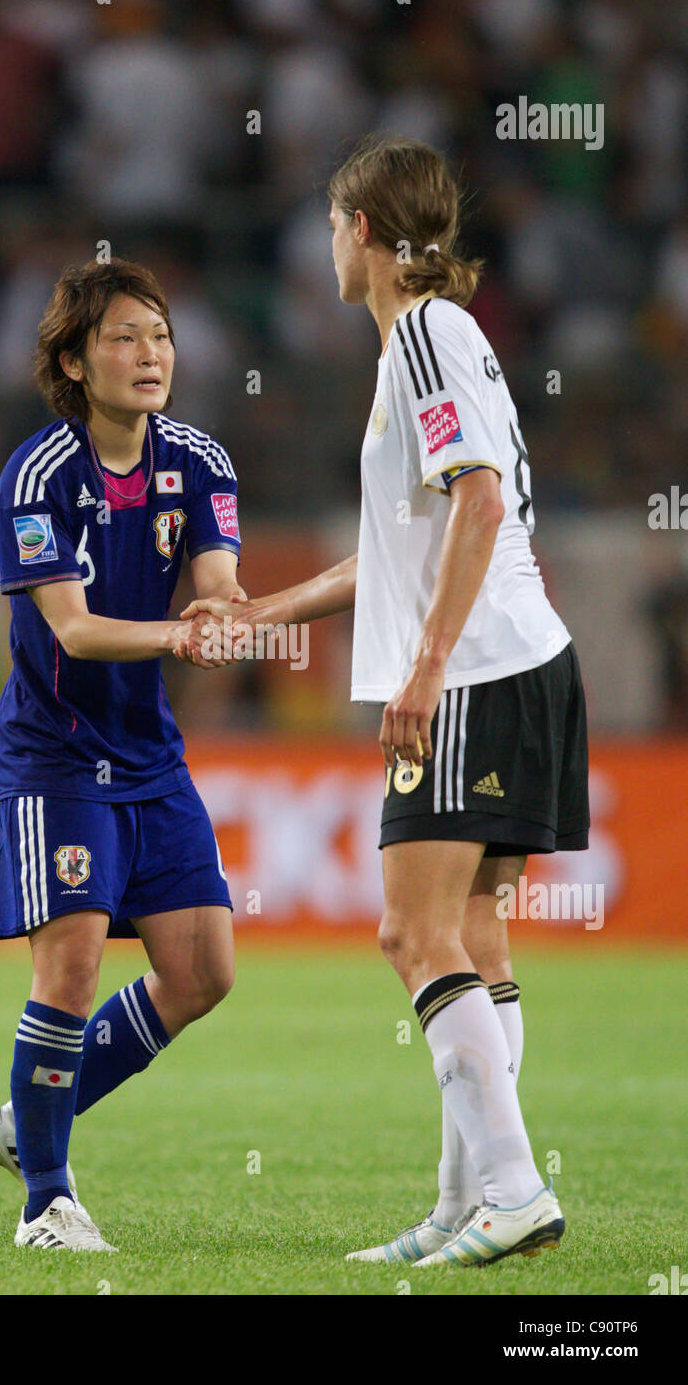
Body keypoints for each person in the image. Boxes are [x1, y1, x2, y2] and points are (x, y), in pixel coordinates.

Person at [184, 135, 589, 1268]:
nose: (325, 243)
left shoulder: (415, 334)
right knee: (472, 930)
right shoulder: (446, 340)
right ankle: (470, 1204)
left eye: (328, 224)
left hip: (469, 672)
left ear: (360, 231)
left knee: (407, 930)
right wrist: (266, 612)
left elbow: (474, 505)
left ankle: (511, 1188)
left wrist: (419, 671)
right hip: (522, 659)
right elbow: (396, 549)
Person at [0, 257, 241, 1252]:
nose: (149, 354)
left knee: (204, 972)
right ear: (75, 360)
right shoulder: (37, 476)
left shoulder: (200, 459)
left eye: (160, 335)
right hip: (57, 754)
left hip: (149, 754)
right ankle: (46, 1200)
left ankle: (27, 1116)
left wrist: (217, 608)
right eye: (125, 337)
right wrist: (182, 636)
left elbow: (215, 571)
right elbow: (77, 631)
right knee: (73, 966)